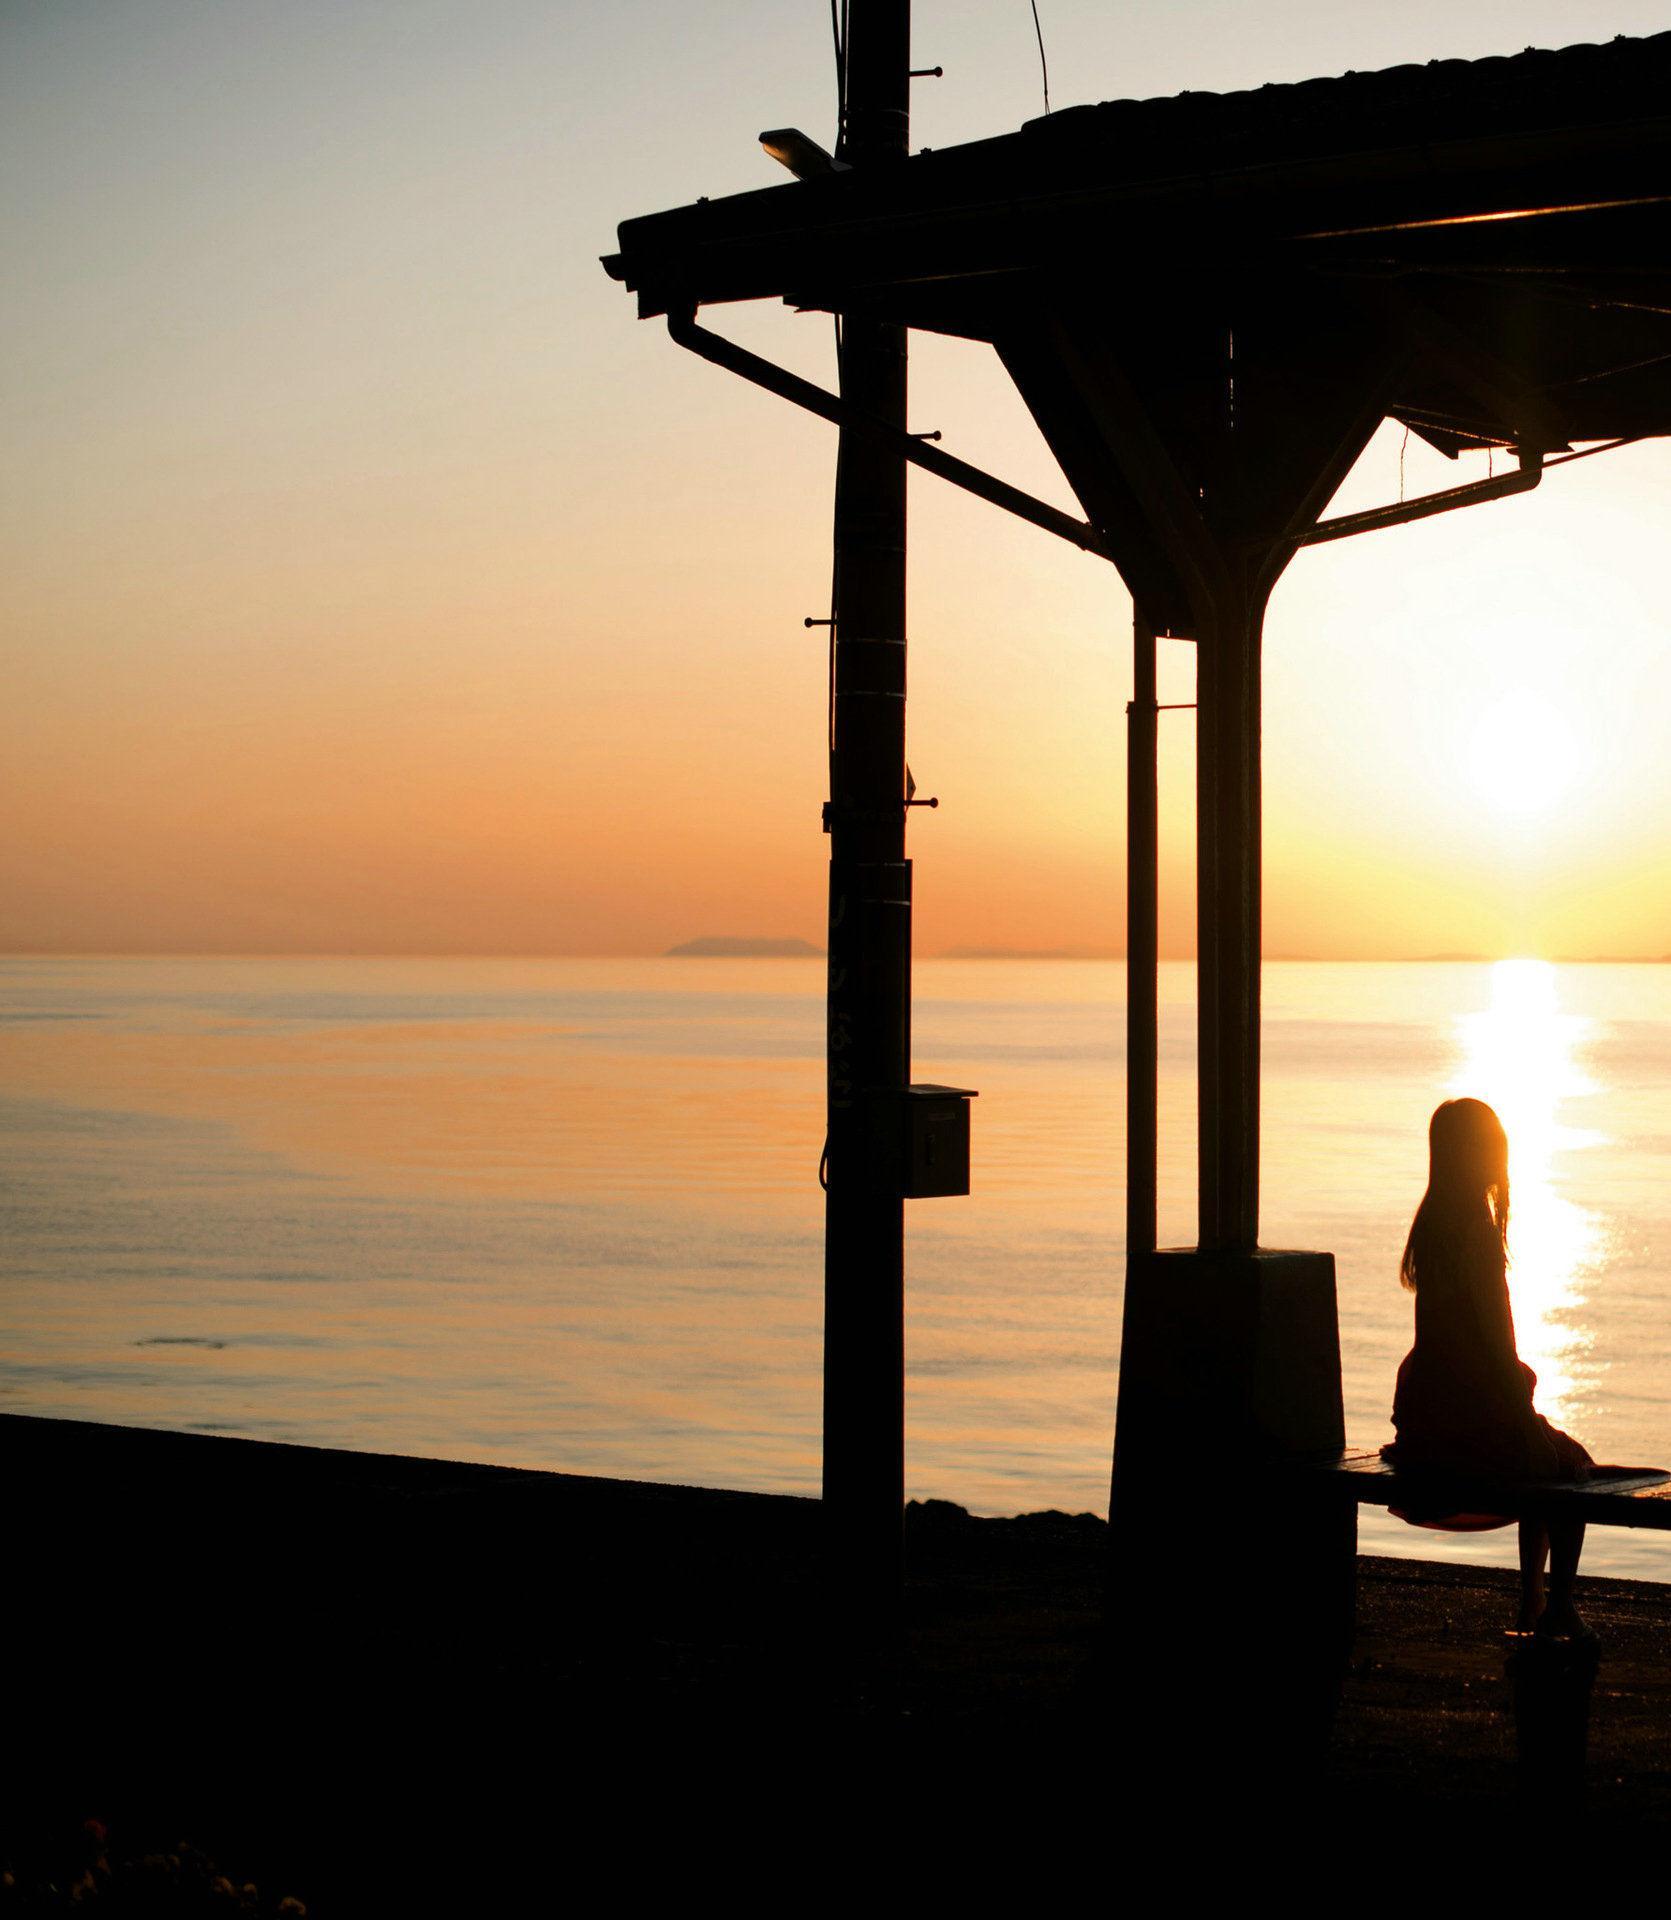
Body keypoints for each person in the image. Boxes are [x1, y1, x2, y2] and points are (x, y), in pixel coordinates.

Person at [1382, 1096, 1594, 1639]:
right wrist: (1524, 1422)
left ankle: (1534, 1603)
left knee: (1543, 1459)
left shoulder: (1432, 1223)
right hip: (1465, 1420)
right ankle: (1554, 1604)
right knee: (1571, 1469)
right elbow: (1498, 1347)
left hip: (1431, 1413)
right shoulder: (1475, 1234)